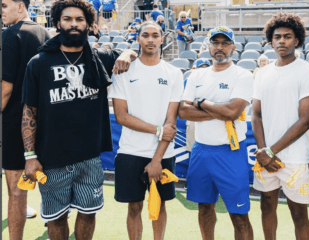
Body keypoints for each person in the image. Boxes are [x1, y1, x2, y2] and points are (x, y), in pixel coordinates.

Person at [21, 0, 137, 239]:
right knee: (56, 217)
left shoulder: (99, 58)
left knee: (88, 213)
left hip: (90, 158)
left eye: (79, 19)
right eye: (67, 19)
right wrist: (30, 156)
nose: (74, 24)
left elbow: (131, 52)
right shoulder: (39, 63)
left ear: (89, 25)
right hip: (51, 158)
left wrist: (126, 52)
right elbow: (29, 111)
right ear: (57, 23)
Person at [108, 21, 183, 240]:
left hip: (163, 155)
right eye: (145, 35)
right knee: (134, 208)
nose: (150, 39)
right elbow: (122, 117)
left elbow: (171, 121)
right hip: (130, 151)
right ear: (138, 38)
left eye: (155, 35)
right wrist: (158, 130)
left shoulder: (174, 73)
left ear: (163, 39)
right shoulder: (123, 71)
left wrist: (157, 160)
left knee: (159, 208)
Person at [178, 26, 254, 240]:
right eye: (215, 43)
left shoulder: (243, 75)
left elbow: (232, 111)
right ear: (208, 46)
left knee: (239, 215)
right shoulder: (196, 75)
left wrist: (201, 103)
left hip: (231, 152)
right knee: (204, 208)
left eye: (225, 43)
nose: (220, 48)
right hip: (201, 151)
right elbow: (183, 111)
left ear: (234, 47)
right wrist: (220, 111)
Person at [252, 13, 309, 240]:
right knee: (266, 206)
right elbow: (256, 115)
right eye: (277, 37)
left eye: (287, 37)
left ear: (297, 40)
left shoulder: (307, 71)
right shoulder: (262, 73)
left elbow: (304, 121)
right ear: (270, 40)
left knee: (298, 214)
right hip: (265, 156)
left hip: (295, 157)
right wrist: (263, 152)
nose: (281, 41)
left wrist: (271, 151)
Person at [2, 0, 50, 238]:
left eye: (4, 5)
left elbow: (6, 89)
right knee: (50, 187)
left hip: (14, 122)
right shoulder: (46, 33)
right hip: (45, 120)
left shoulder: (11, 34)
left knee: (17, 190)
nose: (1, 11)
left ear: (20, 6)